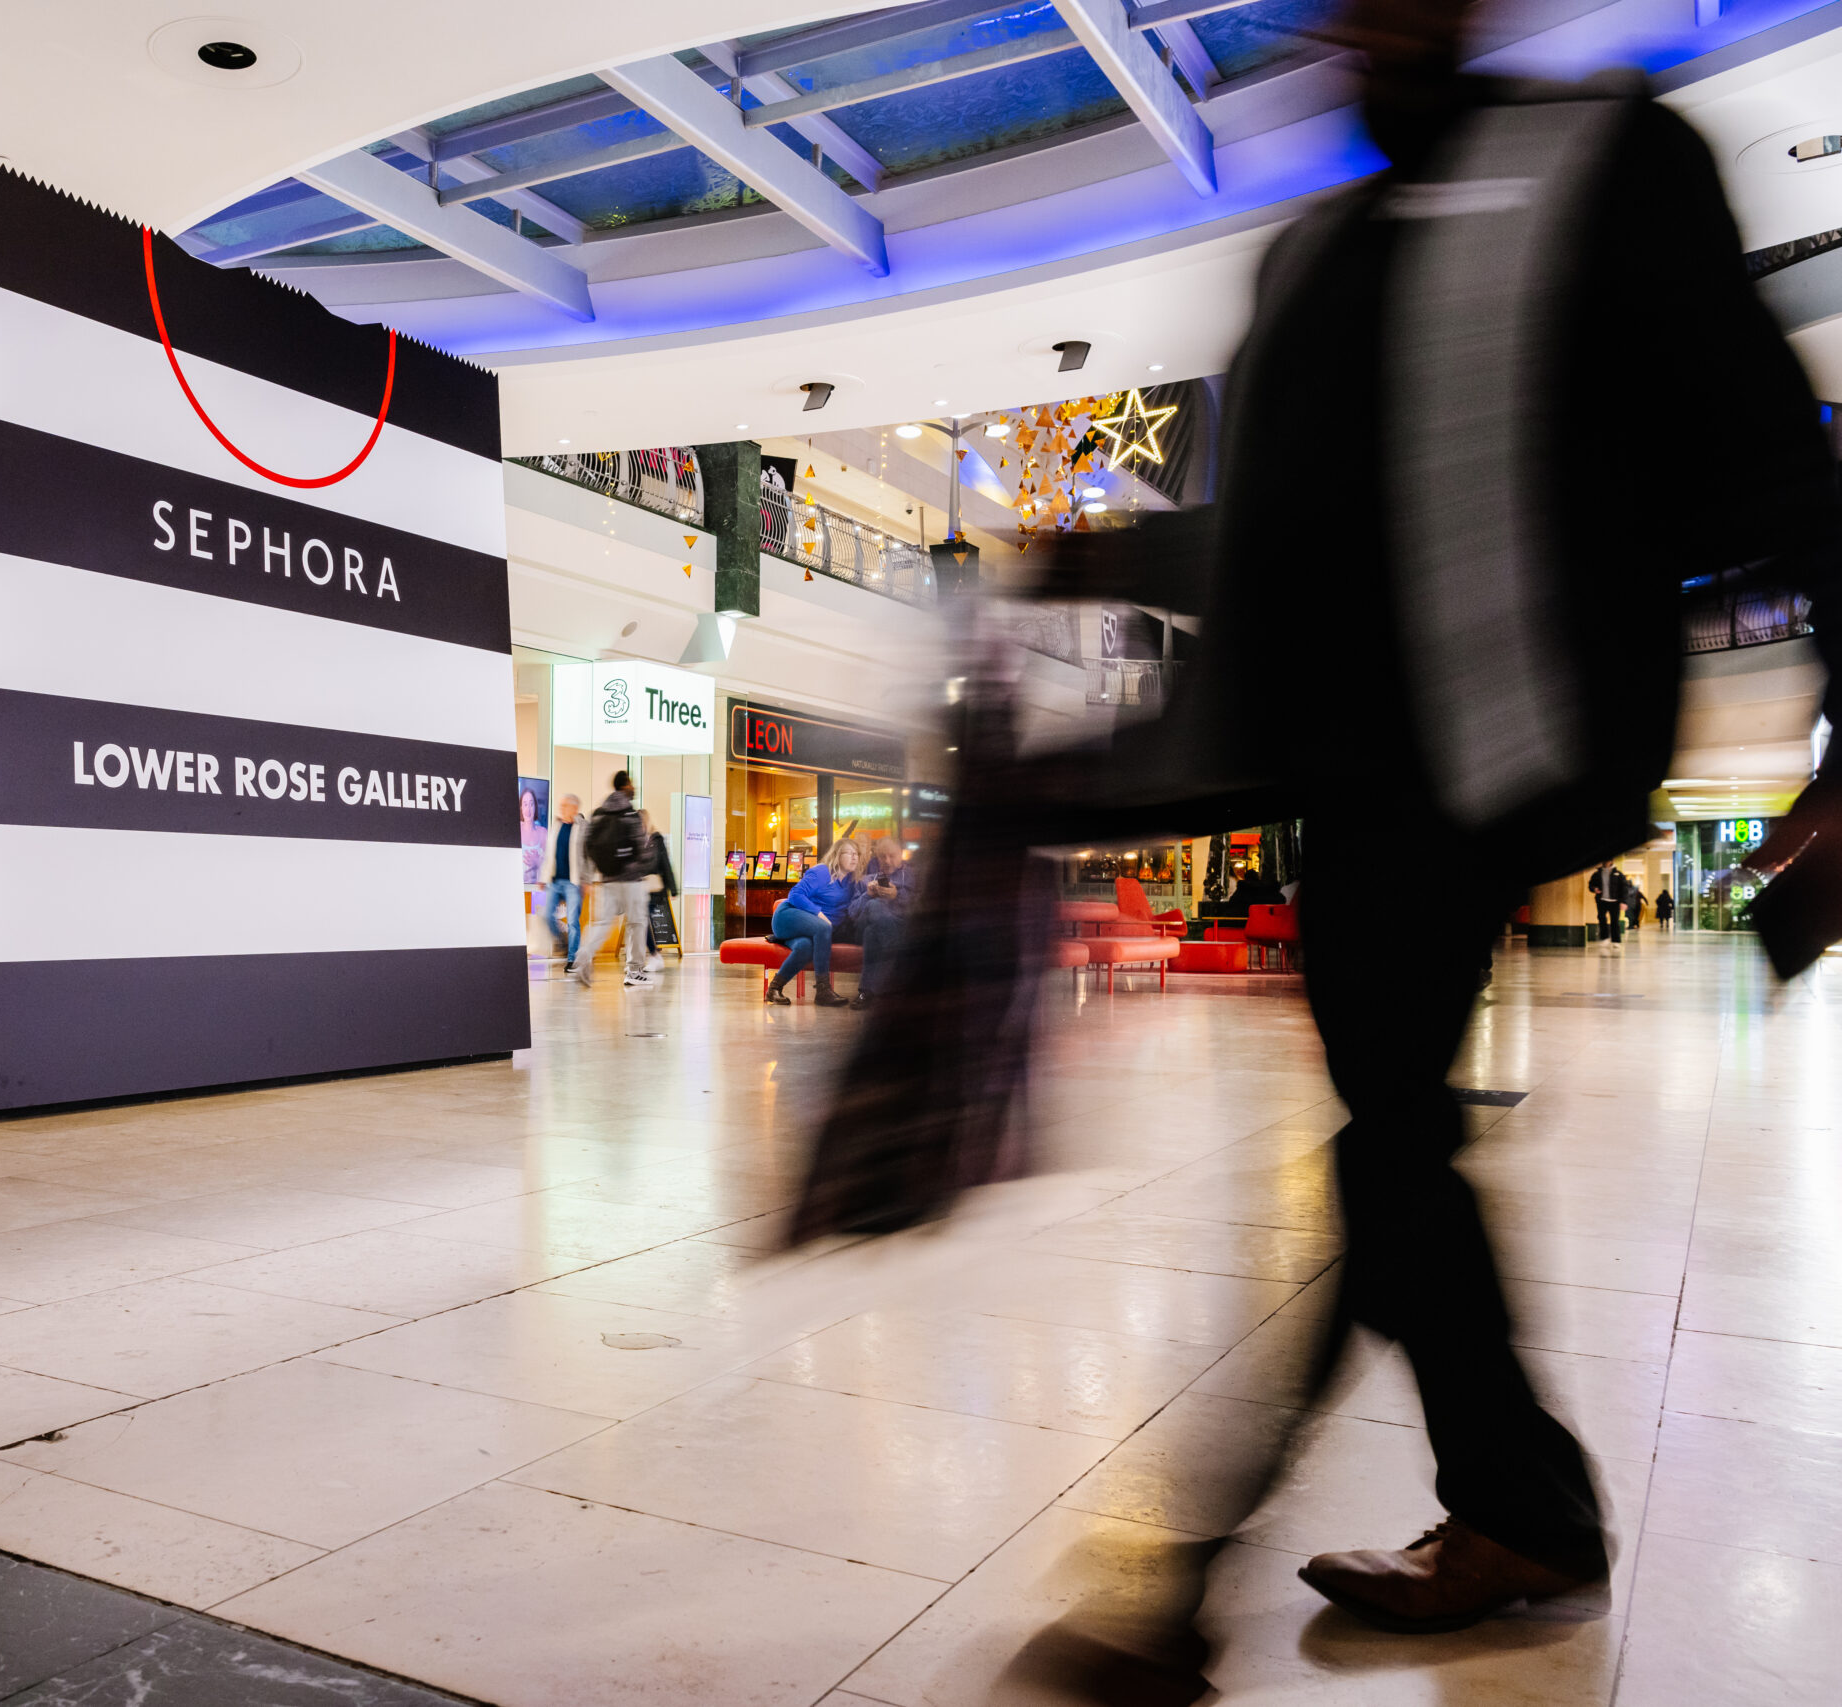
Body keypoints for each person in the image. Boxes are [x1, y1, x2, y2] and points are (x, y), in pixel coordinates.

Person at [955, 0, 1842, 1689]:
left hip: (1508, 750)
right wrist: (1070, 569)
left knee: (1385, 1142)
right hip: (1357, 781)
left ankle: (1192, 1583)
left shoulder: (1601, 161)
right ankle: (1517, 1510)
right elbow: (1275, 537)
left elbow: (1766, 462)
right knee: (1392, 1140)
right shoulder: (1314, 256)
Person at [573, 772, 654, 989]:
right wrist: (644, 866)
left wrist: (588, 877)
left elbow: (586, 845)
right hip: (632, 881)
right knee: (636, 923)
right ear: (626, 786)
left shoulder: (599, 813)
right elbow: (642, 849)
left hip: (607, 879)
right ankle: (634, 971)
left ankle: (583, 956)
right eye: (631, 783)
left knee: (602, 923)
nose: (633, 787)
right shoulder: (631, 814)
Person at [767, 836, 864, 1007]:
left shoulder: (851, 882)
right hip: (788, 916)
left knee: (805, 947)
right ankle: (823, 990)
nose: (854, 857)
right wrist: (820, 915)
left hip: (811, 929)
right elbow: (795, 895)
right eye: (849, 853)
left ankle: (774, 989)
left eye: (856, 853)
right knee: (823, 928)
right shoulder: (822, 872)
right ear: (837, 855)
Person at [843, 836, 914, 1008]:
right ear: (877, 858)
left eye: (892, 856)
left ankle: (866, 992)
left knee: (872, 933)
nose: (887, 861)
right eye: (883, 856)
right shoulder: (866, 880)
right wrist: (868, 895)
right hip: (864, 926)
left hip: (896, 927)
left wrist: (897, 896)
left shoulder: (911, 877)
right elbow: (852, 913)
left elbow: (919, 908)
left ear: (901, 855)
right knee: (874, 905)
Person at [536, 793, 582, 972]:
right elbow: (549, 855)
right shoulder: (556, 826)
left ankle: (573, 959)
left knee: (572, 921)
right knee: (546, 915)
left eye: (565, 806)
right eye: (561, 805)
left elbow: (585, 856)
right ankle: (563, 943)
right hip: (554, 881)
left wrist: (587, 881)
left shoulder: (581, 827)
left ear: (574, 808)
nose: (561, 809)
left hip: (573, 882)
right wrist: (543, 877)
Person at [638, 808, 677, 973]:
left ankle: (654, 955)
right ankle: (646, 958)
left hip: (654, 889)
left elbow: (665, 863)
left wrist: (673, 889)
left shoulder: (656, 839)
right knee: (639, 922)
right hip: (638, 889)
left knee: (642, 921)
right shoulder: (636, 842)